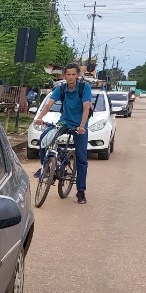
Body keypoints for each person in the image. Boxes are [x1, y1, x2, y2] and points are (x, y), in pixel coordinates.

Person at [33, 63, 92, 205]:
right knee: (44, 139)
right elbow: (49, 104)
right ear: (64, 76)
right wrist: (39, 118)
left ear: (77, 75)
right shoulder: (61, 89)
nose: (70, 77)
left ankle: (81, 191)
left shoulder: (84, 88)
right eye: (68, 74)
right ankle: (47, 168)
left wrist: (82, 126)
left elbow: (86, 107)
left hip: (80, 126)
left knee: (81, 158)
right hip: (64, 122)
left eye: (73, 74)